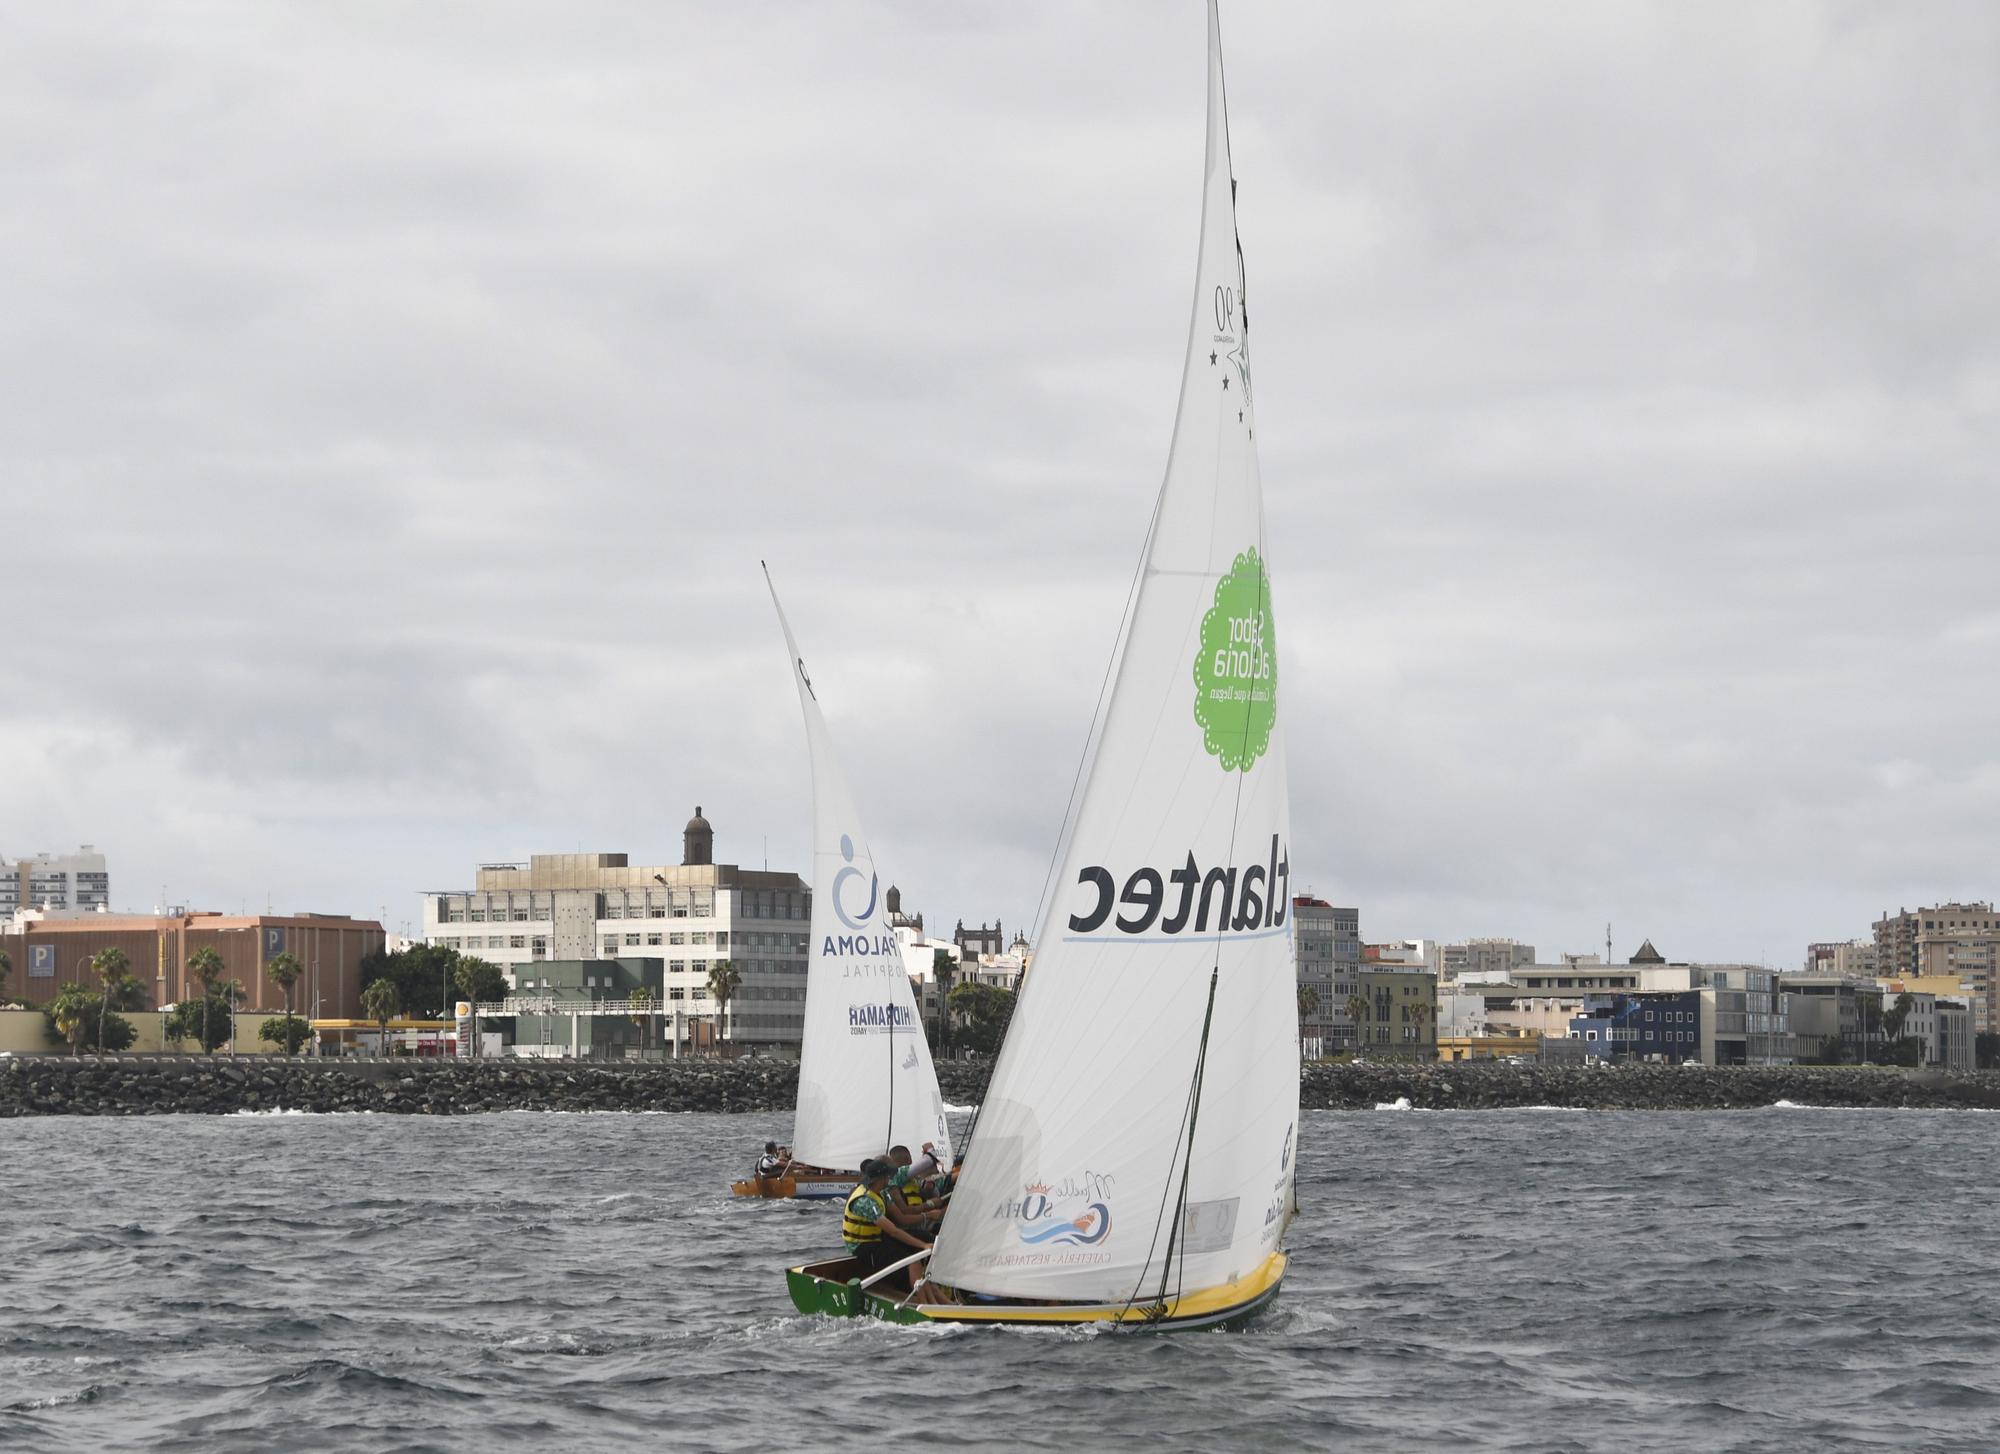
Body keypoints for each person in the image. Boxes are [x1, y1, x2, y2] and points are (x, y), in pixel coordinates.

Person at [842, 1159, 931, 1289]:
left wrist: (925, 1238)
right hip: (863, 1246)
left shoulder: (883, 1192)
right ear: (881, 1178)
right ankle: (920, 1298)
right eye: (887, 1176)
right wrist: (923, 1245)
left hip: (878, 1238)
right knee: (913, 1261)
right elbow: (893, 1231)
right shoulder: (864, 1201)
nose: (890, 1178)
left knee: (924, 1237)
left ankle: (935, 1292)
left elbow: (901, 1218)